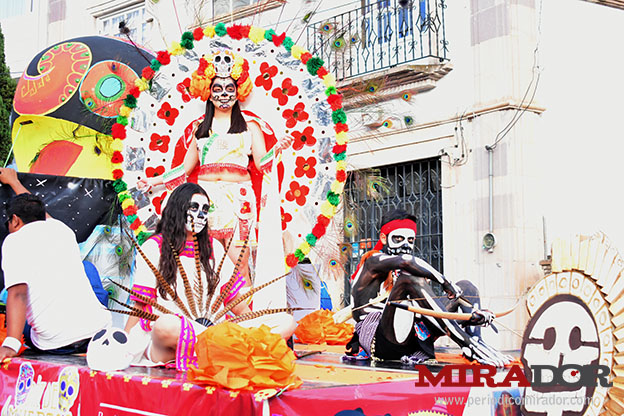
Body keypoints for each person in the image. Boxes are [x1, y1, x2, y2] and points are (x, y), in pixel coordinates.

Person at [138, 49, 293, 291]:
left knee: (239, 266)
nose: (224, 95)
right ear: (208, 94)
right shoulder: (200, 129)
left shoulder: (251, 127)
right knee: (205, 264)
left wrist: (277, 150)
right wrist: (153, 181)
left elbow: (262, 164)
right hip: (204, 201)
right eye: (217, 89)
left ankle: (245, 314)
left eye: (229, 89)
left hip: (239, 200)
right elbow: (184, 169)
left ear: (238, 92)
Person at [124, 183, 295, 370]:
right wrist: (125, 342)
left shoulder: (213, 247)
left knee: (286, 322)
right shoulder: (153, 246)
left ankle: (218, 349)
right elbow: (140, 304)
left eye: (205, 210)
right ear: (178, 208)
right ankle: (228, 349)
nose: (201, 215)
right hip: (171, 342)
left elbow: (236, 303)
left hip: (216, 332)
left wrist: (255, 327)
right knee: (166, 325)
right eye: (194, 208)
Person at [345, 209, 511, 367]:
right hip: (381, 343)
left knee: (466, 288)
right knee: (409, 279)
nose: (405, 245)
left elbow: (425, 313)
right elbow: (407, 261)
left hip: (412, 337)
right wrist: (445, 282)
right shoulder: (372, 262)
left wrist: (470, 316)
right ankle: (469, 345)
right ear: (383, 238)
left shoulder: (405, 271)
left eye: (410, 241)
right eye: (398, 239)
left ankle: (476, 341)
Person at [0, 168, 112, 361]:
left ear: (15, 220)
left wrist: (10, 344)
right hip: (97, 333)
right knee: (87, 269)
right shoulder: (62, 229)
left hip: (56, 345)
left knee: (12, 302)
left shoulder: (14, 241)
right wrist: (14, 182)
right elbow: (43, 214)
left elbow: (18, 295)